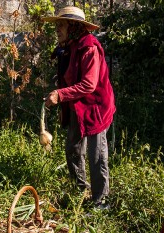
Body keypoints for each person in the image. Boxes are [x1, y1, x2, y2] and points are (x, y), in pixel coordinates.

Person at [43, 6, 116, 209]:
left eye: (61, 25)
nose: (57, 29)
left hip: (96, 108)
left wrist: (60, 95)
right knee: (73, 148)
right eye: (56, 25)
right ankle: (80, 190)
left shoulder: (89, 47)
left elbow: (89, 85)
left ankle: (101, 202)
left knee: (96, 155)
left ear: (73, 26)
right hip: (79, 106)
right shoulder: (71, 45)